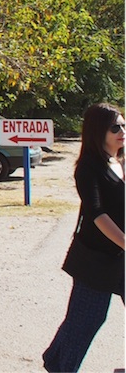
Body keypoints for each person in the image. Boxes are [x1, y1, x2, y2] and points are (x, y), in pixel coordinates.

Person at [42, 102, 125, 372]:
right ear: (98, 131)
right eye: (115, 127)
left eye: (124, 125)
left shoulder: (121, 161)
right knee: (86, 319)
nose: (122, 131)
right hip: (96, 259)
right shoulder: (88, 168)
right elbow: (97, 214)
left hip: (121, 256)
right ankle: (60, 366)